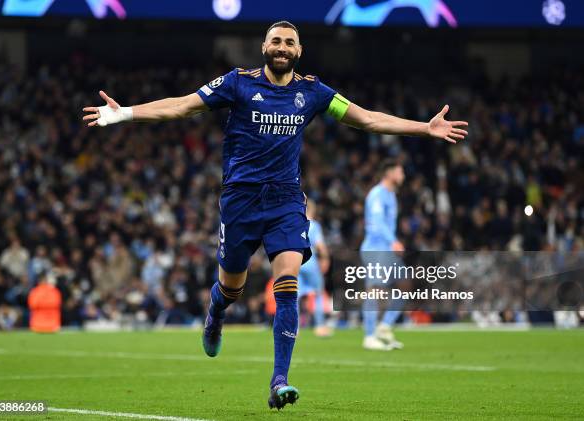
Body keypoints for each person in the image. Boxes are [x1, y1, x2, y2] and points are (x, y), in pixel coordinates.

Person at [82, 20, 468, 410]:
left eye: (290, 42)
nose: (282, 47)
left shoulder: (314, 92)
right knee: (232, 287)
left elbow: (366, 118)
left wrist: (424, 128)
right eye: (276, 41)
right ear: (264, 47)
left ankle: (279, 380)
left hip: (285, 201)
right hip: (240, 200)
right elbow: (181, 106)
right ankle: (216, 311)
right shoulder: (238, 83)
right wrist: (125, 113)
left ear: (298, 51)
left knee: (288, 281)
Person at [361, 159, 407, 351]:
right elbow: (377, 222)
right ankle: (369, 336)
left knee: (406, 284)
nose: (403, 175)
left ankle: (385, 326)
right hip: (375, 248)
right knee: (374, 290)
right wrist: (393, 241)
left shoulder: (391, 195)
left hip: (387, 249)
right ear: (389, 173)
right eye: (400, 171)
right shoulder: (377, 194)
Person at [298, 199, 332, 337]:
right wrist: (325, 258)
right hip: (310, 262)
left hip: (296, 262)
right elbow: (320, 245)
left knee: (295, 296)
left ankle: (294, 328)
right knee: (318, 293)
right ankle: (319, 326)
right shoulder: (314, 225)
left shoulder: (296, 223)